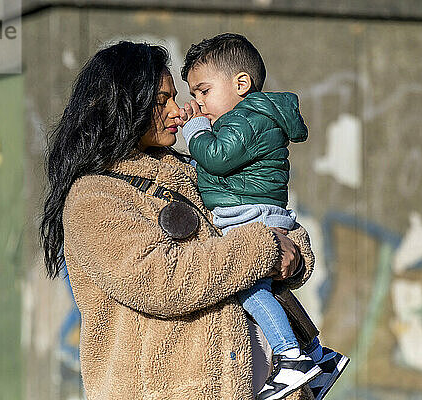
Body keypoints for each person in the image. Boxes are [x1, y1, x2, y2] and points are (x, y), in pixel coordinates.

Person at [40, 41, 317, 400]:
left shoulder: (187, 171)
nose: (179, 110)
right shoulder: (94, 197)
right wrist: (265, 249)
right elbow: (162, 281)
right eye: (162, 101)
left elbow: (255, 217)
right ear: (122, 105)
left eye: (176, 97)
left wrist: (294, 253)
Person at [176, 33, 349, 400]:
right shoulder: (244, 118)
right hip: (252, 210)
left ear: (241, 84)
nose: (197, 103)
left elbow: (216, 157)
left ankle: (292, 358)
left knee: (247, 288)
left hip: (249, 216)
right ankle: (319, 357)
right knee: (270, 291)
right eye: (193, 94)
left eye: (203, 91)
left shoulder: (249, 117)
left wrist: (194, 131)